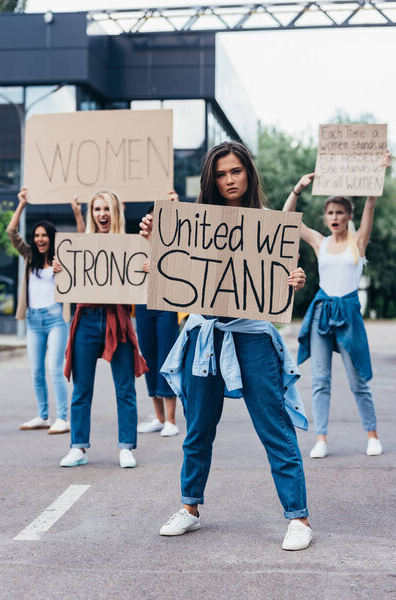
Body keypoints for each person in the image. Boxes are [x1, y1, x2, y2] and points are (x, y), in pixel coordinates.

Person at [140, 141, 312, 551]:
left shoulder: (269, 224)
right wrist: (153, 242)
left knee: (274, 428)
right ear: (210, 180)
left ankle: (299, 518)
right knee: (197, 429)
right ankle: (190, 508)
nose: (229, 179)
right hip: (205, 336)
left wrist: (295, 280)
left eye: (235, 171)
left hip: (251, 336)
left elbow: (282, 276)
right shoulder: (194, 223)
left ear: (248, 174)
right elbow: (173, 273)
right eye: (220, 173)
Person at [283, 149, 391, 459]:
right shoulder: (320, 241)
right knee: (320, 380)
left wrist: (380, 172)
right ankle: (321, 439)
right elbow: (288, 220)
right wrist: (297, 188)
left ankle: (372, 435)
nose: (334, 218)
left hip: (348, 313)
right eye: (330, 213)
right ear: (325, 217)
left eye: (340, 212)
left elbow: (371, 203)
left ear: (349, 216)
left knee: (358, 378)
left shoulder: (358, 244)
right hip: (321, 313)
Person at [57, 191, 148, 468]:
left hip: (116, 319)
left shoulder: (130, 245)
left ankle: (126, 447)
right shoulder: (79, 245)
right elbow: (68, 277)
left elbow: (139, 282)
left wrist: (147, 267)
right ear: (92, 213)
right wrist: (60, 269)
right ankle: (78, 447)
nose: (102, 213)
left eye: (106, 208)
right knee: (82, 389)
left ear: (115, 213)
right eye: (97, 209)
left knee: (125, 387)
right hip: (85, 318)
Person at [6, 187, 77, 434]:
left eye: (44, 235)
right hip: (34, 320)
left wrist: (77, 212)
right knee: (36, 371)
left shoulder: (62, 260)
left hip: (56, 318)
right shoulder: (29, 257)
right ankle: (43, 415)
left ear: (52, 237)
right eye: (36, 235)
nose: (39, 239)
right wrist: (22, 204)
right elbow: (12, 232)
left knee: (55, 368)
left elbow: (81, 242)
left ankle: (63, 418)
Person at [136, 199, 180, 438]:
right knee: (149, 360)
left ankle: (172, 420)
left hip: (166, 305)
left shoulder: (176, 245)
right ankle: (160, 418)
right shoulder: (137, 244)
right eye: (152, 217)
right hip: (142, 305)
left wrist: (159, 267)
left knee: (167, 359)